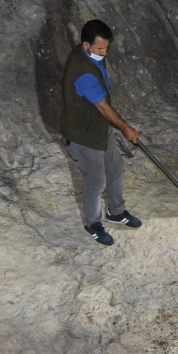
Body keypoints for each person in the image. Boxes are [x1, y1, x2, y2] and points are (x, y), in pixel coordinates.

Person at [61, 19, 142, 246]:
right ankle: (93, 224)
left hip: (98, 126)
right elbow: (103, 107)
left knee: (115, 168)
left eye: (106, 47)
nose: (104, 52)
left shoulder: (90, 55)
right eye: (99, 48)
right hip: (82, 134)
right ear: (85, 45)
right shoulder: (83, 72)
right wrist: (126, 128)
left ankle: (116, 211)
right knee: (96, 181)